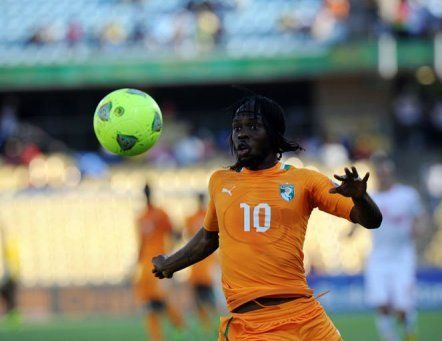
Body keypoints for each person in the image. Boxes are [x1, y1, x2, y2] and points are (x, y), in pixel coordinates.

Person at [152, 95, 382, 340]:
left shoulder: (305, 181)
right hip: (251, 327)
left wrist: (361, 198)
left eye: (252, 126)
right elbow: (209, 237)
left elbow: (370, 219)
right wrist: (170, 264)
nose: (241, 134)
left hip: (306, 319)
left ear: (273, 134)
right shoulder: (221, 181)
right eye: (237, 128)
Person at [350, 153, 427, 341]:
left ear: (392, 172)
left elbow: (421, 216)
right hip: (378, 257)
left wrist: (420, 229)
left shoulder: (407, 195)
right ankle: (390, 338)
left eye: (386, 171)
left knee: (402, 308)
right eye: (380, 172)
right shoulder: (371, 197)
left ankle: (409, 332)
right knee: (382, 304)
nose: (383, 175)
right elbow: (358, 215)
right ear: (376, 174)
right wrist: (350, 231)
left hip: (402, 256)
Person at [135, 183, 184, 341]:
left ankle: (179, 329)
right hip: (144, 267)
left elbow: (175, 233)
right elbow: (141, 243)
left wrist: (170, 257)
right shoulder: (140, 217)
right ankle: (157, 338)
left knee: (161, 301)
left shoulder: (160, 213)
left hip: (159, 265)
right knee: (148, 305)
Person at [185, 193, 217, 330]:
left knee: (206, 300)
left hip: (203, 266)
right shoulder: (194, 217)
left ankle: (211, 324)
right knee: (201, 300)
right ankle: (208, 325)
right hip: (200, 266)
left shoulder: (198, 217)